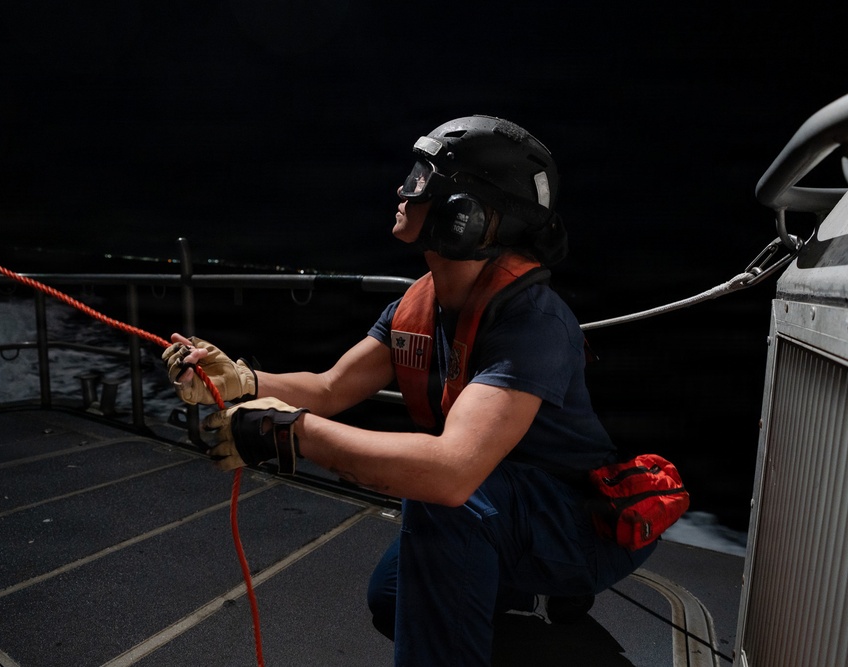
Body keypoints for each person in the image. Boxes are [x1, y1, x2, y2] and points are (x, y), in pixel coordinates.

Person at [163, 115, 656, 666]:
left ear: (466, 216)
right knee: (392, 600)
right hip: (507, 509)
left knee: (445, 504)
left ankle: (547, 587)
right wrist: (241, 380)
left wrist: (289, 434)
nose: (403, 190)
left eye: (422, 178)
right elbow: (330, 388)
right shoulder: (416, 308)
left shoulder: (532, 321)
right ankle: (521, 600)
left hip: (580, 527)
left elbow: (451, 471)